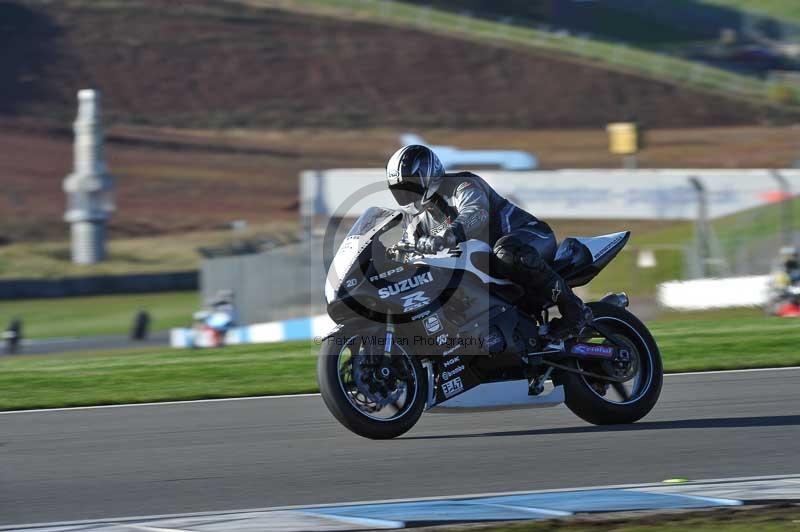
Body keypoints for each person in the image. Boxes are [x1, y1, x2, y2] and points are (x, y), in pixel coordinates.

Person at [386, 144, 591, 340]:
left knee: (506, 252)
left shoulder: (462, 184)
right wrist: (392, 255)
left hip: (529, 237)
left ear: (428, 175)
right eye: (401, 190)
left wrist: (448, 235)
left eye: (410, 185)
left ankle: (575, 312)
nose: (407, 194)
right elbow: (409, 249)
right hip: (484, 265)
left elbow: (477, 212)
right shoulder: (417, 221)